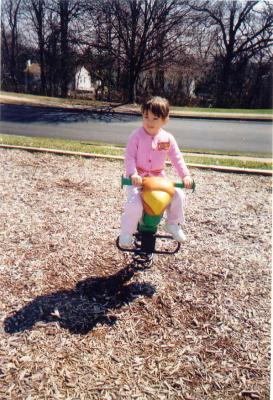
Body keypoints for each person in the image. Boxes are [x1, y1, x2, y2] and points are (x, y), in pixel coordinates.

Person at [119, 96, 193, 247]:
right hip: (139, 178)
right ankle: (127, 232)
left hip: (159, 178)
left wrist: (185, 176)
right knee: (134, 204)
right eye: (146, 117)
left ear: (165, 120)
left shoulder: (167, 138)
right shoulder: (136, 136)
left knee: (178, 195)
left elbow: (176, 158)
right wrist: (133, 174)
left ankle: (173, 223)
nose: (149, 122)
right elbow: (130, 156)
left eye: (155, 118)